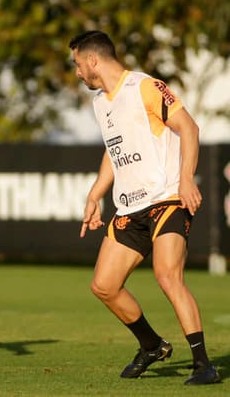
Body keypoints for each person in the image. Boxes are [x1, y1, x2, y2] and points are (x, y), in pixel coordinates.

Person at [69, 30, 220, 385]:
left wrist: (186, 179)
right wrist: (95, 193)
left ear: (93, 60)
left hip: (166, 198)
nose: (77, 72)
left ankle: (204, 365)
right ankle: (151, 345)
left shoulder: (145, 87)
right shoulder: (101, 103)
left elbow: (190, 128)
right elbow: (113, 149)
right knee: (104, 286)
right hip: (129, 208)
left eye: (77, 64)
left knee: (168, 276)